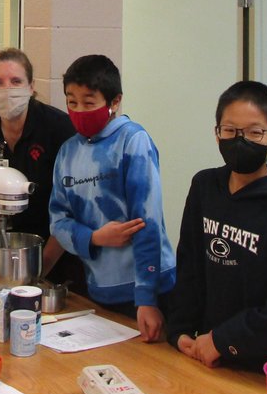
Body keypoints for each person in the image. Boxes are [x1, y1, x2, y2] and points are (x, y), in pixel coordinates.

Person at [167, 81, 267, 370]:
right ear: (217, 134)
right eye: (230, 131)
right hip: (204, 355)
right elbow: (190, 265)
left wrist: (223, 340)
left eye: (254, 132)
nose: (240, 140)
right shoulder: (204, 187)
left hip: (262, 364)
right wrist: (179, 330)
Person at [49, 54, 175, 342]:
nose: (79, 110)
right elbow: (58, 221)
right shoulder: (68, 152)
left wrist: (147, 298)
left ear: (114, 102)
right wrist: (95, 238)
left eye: (89, 102)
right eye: (71, 102)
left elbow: (148, 221)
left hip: (147, 292)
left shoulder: (133, 141)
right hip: (99, 289)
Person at [0, 47, 84, 289]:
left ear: (31, 87)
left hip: (59, 255)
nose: (7, 89)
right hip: (6, 253)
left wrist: (38, 272)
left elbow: (73, 210)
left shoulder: (61, 129)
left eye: (16, 81)